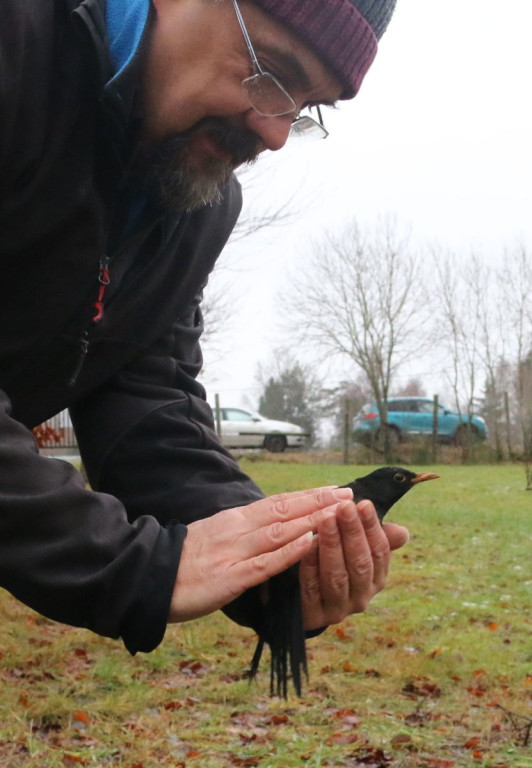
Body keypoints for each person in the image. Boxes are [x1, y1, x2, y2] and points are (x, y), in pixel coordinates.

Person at [0, 0, 408, 682]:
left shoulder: (196, 198)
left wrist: (267, 556)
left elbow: (144, 395)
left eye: (308, 107)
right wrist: (139, 568)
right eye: (273, 72)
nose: (276, 135)